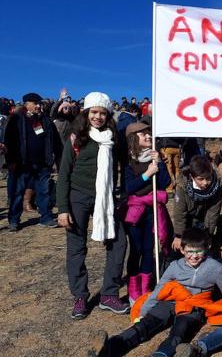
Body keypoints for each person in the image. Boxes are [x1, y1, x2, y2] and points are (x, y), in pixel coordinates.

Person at [89, 229, 222, 357]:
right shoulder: (175, 266)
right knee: (145, 325)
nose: (194, 256)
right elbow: (159, 290)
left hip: (195, 305)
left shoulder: (214, 267)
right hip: (171, 300)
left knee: (179, 333)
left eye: (199, 251)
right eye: (189, 251)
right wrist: (144, 312)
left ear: (206, 249)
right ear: (182, 250)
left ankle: (161, 354)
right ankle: (110, 347)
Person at [56, 92, 129, 319]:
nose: (98, 117)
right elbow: (64, 175)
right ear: (86, 113)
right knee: (77, 247)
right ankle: (80, 296)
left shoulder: (113, 138)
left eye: (102, 113)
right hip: (78, 198)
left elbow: (125, 165)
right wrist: (63, 209)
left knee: (118, 243)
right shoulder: (75, 137)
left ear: (108, 115)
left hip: (106, 198)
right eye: (94, 112)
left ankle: (109, 294)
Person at [123, 122, 172, 304]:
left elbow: (165, 182)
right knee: (135, 251)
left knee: (148, 249)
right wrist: (147, 174)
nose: (148, 136)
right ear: (134, 138)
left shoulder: (154, 158)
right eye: (143, 134)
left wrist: (159, 165)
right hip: (135, 213)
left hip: (152, 211)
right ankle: (134, 291)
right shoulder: (129, 162)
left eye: (149, 134)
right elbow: (129, 187)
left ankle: (146, 289)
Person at [5, 92, 62, 231]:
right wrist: (11, 160)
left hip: (43, 163)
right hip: (22, 163)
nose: (38, 106)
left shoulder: (46, 121)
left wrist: (59, 161)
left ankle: (46, 217)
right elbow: (9, 141)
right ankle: (13, 220)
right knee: (17, 192)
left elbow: (56, 143)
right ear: (27, 104)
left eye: (39, 103)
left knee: (44, 191)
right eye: (35, 103)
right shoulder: (16, 119)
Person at [172, 155, 222, 251]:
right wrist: (179, 236)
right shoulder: (182, 186)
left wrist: (208, 235)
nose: (205, 183)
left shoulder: (217, 186)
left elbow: (213, 213)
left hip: (204, 220)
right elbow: (180, 213)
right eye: (201, 179)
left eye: (208, 178)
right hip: (187, 219)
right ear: (192, 176)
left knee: (203, 249)